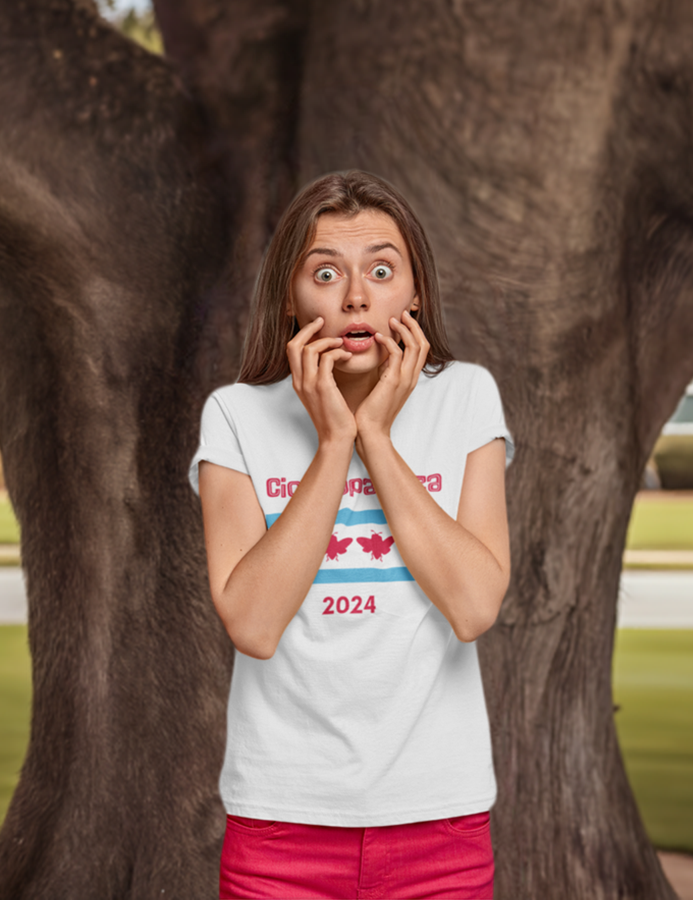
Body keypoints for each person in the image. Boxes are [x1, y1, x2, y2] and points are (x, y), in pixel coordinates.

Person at [189, 170, 513, 900]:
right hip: (281, 825)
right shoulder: (236, 415)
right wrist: (334, 441)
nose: (356, 297)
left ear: (414, 294)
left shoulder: (465, 398)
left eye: (382, 270)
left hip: (441, 822)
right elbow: (253, 623)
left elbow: (473, 607)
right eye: (326, 273)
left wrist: (376, 437)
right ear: (291, 298)